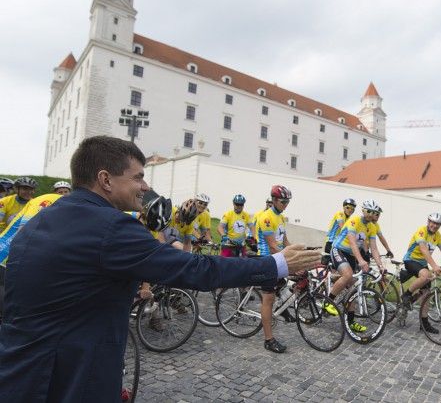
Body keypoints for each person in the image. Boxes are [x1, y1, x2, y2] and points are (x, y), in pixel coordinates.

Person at [0, 136, 320, 402]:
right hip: (71, 379)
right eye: (138, 176)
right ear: (105, 179)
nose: (145, 185)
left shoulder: (44, 217)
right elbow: (196, 270)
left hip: (21, 372)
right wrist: (278, 264)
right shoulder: (111, 226)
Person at [325, 199, 385, 333]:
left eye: (374, 212)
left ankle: (351, 322)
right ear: (363, 211)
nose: (371, 214)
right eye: (368, 211)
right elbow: (352, 242)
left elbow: (374, 248)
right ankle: (328, 302)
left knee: (352, 288)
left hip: (351, 255)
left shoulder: (372, 227)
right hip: (338, 250)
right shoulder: (354, 221)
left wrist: (380, 265)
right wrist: (361, 261)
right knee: (347, 275)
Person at [0, 193, 64, 317]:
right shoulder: (48, 199)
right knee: (8, 313)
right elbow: (24, 233)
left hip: (14, 260)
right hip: (5, 257)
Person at [401, 213, 441, 333]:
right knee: (426, 275)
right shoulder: (421, 231)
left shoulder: (438, 236)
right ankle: (407, 295)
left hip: (422, 263)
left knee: (426, 293)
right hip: (411, 260)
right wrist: (434, 266)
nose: (434, 225)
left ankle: (424, 323)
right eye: (432, 222)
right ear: (428, 221)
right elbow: (423, 249)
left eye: (437, 224)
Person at [255, 185, 295, 353]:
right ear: (274, 200)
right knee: (268, 299)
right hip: (266, 260)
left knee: (285, 285)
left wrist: (300, 252)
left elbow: (285, 242)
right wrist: (291, 258)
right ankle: (268, 340)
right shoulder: (266, 217)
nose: (286, 204)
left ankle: (283, 309)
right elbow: (272, 246)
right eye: (283, 201)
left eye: (288, 202)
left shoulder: (281, 218)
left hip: (277, 258)